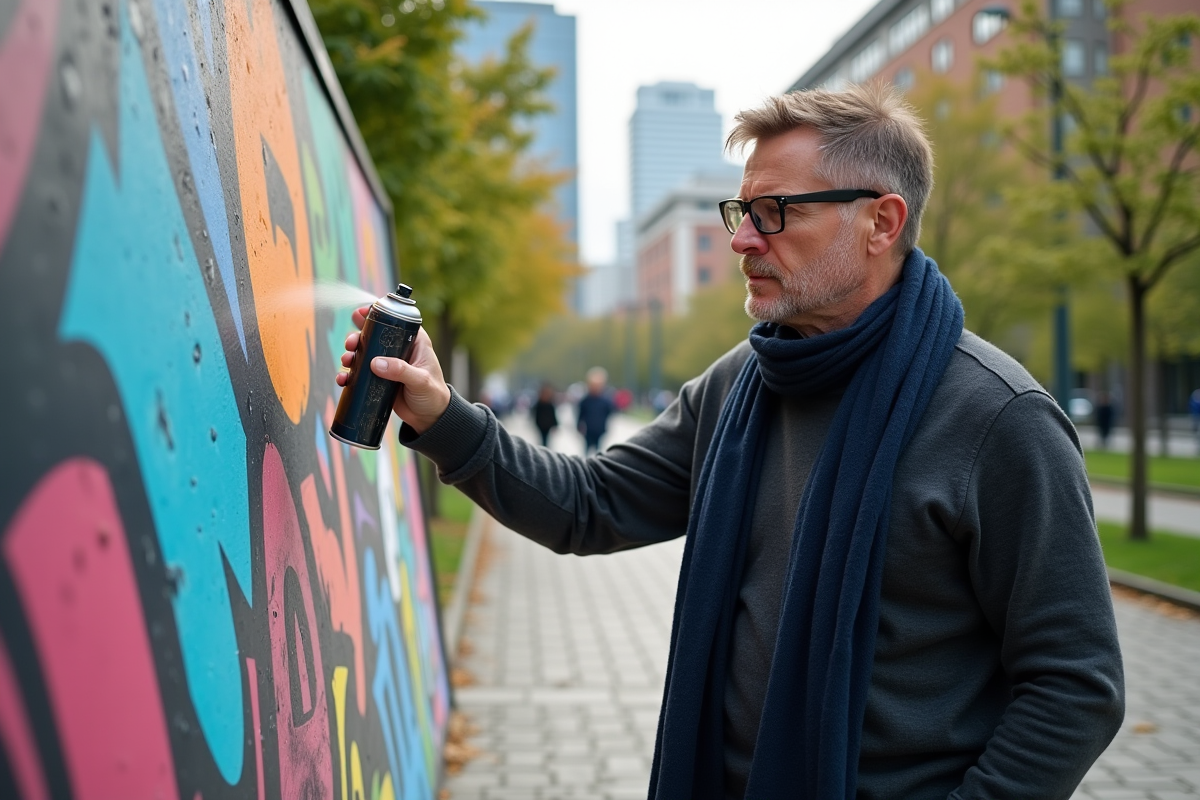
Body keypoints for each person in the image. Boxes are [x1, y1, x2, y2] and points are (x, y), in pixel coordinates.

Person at [337, 84, 1123, 800]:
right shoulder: (743, 380)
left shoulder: (998, 417)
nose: (745, 240)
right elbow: (592, 504)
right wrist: (440, 414)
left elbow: (1075, 685)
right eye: (740, 212)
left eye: (776, 212)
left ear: (881, 222)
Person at [576, 367, 615, 456]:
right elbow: (581, 414)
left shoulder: (605, 401)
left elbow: (609, 413)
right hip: (588, 429)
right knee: (587, 450)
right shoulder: (586, 400)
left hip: (599, 429)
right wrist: (578, 425)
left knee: (598, 450)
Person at [531, 383, 558, 448]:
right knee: (544, 438)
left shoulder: (547, 404)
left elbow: (553, 415)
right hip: (543, 424)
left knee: (544, 438)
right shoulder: (541, 404)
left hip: (545, 424)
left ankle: (543, 448)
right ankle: (544, 448)